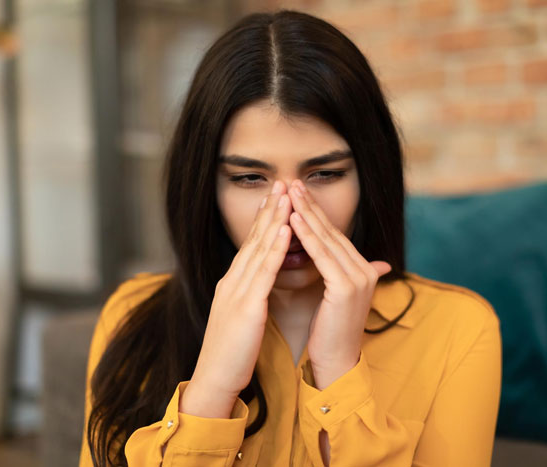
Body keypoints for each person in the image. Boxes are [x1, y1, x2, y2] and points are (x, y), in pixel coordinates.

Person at [79, 8, 502, 467]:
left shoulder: (457, 329)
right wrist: (214, 384)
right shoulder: (132, 316)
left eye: (324, 173)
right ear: (204, 185)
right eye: (248, 178)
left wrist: (339, 372)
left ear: (369, 176)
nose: (290, 214)